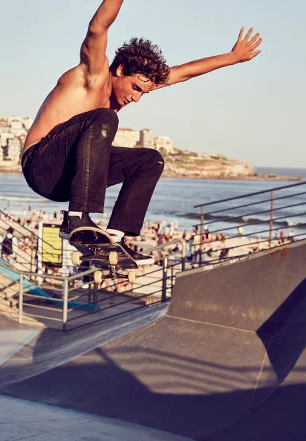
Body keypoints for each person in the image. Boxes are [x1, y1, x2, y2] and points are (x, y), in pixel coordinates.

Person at [21, 0, 262, 265]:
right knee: (104, 119)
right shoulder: (92, 75)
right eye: (135, 88)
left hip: (69, 180)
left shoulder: (129, 89)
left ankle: (115, 234)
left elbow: (182, 74)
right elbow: (98, 27)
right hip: (41, 166)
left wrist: (233, 58)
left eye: (143, 93)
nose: (136, 99)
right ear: (121, 70)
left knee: (150, 160)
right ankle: (78, 218)